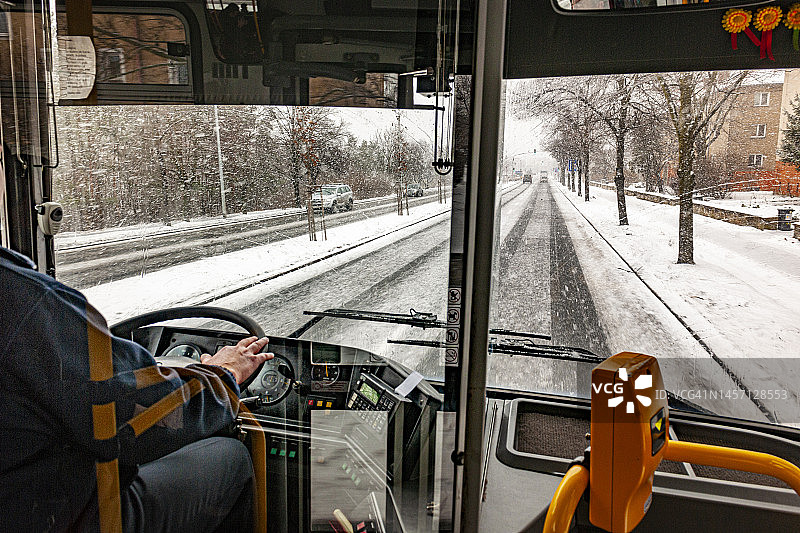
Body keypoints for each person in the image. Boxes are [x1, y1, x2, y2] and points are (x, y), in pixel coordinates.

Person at [0, 245, 271, 532]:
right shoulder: (24, 299)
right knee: (232, 456)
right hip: (59, 517)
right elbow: (145, 416)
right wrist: (222, 374)